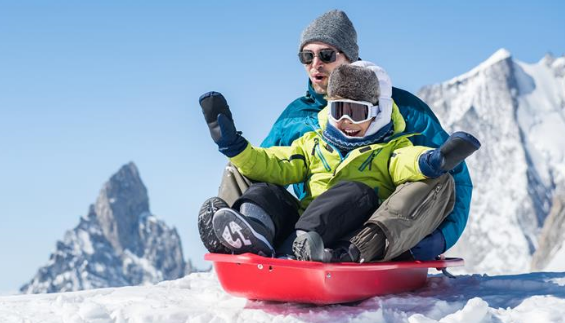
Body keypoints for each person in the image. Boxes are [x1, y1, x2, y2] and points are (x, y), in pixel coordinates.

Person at [198, 9, 474, 261]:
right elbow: (270, 165)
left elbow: (448, 177)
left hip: (367, 220)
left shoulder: (404, 111)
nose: (315, 64)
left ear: (350, 58)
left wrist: (442, 238)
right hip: (306, 219)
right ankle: (243, 238)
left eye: (326, 55)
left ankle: (349, 248)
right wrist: (235, 146)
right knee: (240, 166)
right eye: (307, 56)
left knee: (436, 177)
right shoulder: (297, 116)